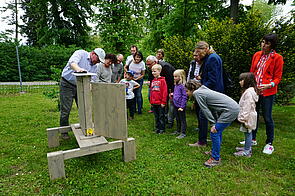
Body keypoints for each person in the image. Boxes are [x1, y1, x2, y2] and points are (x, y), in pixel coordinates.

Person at [244, 33, 284, 155]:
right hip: (255, 91)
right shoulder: (257, 55)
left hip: (268, 92)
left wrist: (269, 85)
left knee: (267, 117)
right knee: (253, 114)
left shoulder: (277, 58)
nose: (263, 45)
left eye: (266, 43)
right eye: (262, 42)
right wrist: (250, 85)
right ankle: (253, 139)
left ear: (272, 45)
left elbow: (278, 78)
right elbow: (252, 72)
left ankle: (269, 143)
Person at [185, 81, 239, 167]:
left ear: (192, 89)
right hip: (233, 108)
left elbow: (205, 109)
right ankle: (214, 151)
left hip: (230, 111)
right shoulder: (203, 90)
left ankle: (215, 159)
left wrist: (213, 123)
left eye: (186, 91)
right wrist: (216, 121)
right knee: (218, 130)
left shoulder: (197, 93)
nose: (186, 93)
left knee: (214, 132)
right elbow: (212, 107)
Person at [60, 48, 105, 139]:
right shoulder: (81, 53)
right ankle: (64, 131)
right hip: (67, 84)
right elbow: (72, 63)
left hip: (81, 86)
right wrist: (78, 69)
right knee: (66, 109)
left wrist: (90, 89)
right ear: (93, 54)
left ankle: (85, 128)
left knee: (84, 108)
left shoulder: (95, 67)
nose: (98, 62)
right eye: (98, 60)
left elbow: (92, 80)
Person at [189, 41, 224, 147]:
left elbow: (213, 80)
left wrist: (200, 89)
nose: (198, 55)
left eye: (199, 53)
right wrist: (202, 77)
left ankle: (202, 141)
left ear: (205, 49)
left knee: (204, 115)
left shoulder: (212, 58)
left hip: (212, 92)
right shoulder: (211, 57)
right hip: (211, 91)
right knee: (211, 116)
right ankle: (213, 140)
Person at [146, 55, 175, 125]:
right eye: (147, 64)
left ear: (155, 62)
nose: (148, 66)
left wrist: (171, 91)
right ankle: (160, 118)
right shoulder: (152, 68)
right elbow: (151, 77)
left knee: (167, 103)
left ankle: (167, 120)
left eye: (149, 64)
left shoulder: (165, 67)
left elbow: (170, 80)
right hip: (157, 87)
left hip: (168, 86)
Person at [234, 72, 259, 157]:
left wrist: (242, 118)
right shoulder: (250, 91)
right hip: (249, 116)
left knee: (248, 133)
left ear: (247, 81)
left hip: (247, 117)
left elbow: (247, 106)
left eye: (241, 80)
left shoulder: (248, 93)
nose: (239, 82)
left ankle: (247, 151)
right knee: (248, 132)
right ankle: (246, 147)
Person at [150, 64, 168, 134]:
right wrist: (151, 100)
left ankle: (162, 129)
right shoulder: (153, 80)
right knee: (156, 116)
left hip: (160, 102)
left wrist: (163, 102)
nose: (153, 73)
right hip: (154, 102)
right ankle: (157, 128)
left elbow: (164, 91)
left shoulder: (162, 81)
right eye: (152, 71)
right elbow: (152, 91)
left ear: (159, 71)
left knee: (161, 116)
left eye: (155, 71)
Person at [187, 50, 202, 132]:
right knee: (197, 107)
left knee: (202, 108)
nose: (195, 57)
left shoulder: (204, 63)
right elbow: (190, 73)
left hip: (202, 87)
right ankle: (200, 125)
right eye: (194, 55)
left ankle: (206, 125)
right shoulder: (193, 63)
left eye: (196, 55)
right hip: (193, 87)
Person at [171, 69, 188, 139]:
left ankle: (183, 132)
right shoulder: (176, 85)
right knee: (177, 118)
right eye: (174, 76)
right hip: (175, 104)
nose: (174, 78)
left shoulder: (183, 86)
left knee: (182, 119)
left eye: (176, 76)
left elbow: (184, 97)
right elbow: (177, 93)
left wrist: (182, 106)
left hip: (181, 106)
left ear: (181, 77)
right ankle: (178, 130)